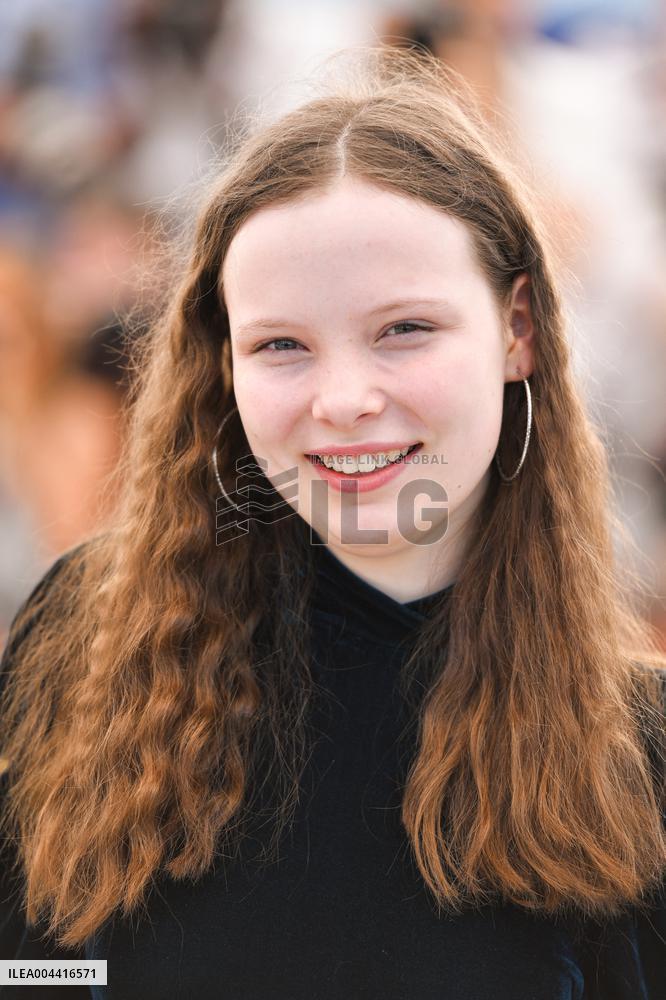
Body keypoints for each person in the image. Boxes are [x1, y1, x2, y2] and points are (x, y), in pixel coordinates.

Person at [0, 48, 664, 1000]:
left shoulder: (636, 757)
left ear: (517, 329)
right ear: (221, 365)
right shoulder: (89, 637)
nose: (344, 399)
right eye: (281, 346)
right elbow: (27, 970)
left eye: (405, 330)